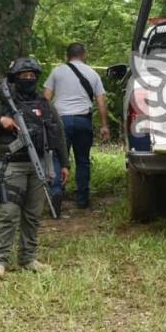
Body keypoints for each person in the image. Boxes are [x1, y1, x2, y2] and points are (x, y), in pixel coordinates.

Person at [0, 57, 69, 280]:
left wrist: (65, 163)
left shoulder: (43, 103)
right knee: (8, 213)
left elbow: (57, 132)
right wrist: (1, 120)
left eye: (32, 76)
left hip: (38, 164)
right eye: (23, 76)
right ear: (15, 78)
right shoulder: (3, 102)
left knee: (33, 215)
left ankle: (28, 258)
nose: (28, 79)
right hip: (12, 165)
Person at [43, 42, 110, 211]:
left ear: (67, 55)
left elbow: (45, 99)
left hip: (60, 121)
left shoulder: (57, 72)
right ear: (84, 54)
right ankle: (82, 199)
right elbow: (101, 102)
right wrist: (104, 126)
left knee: (57, 157)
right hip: (83, 121)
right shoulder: (93, 74)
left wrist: (44, 122)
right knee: (83, 160)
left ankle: (57, 191)